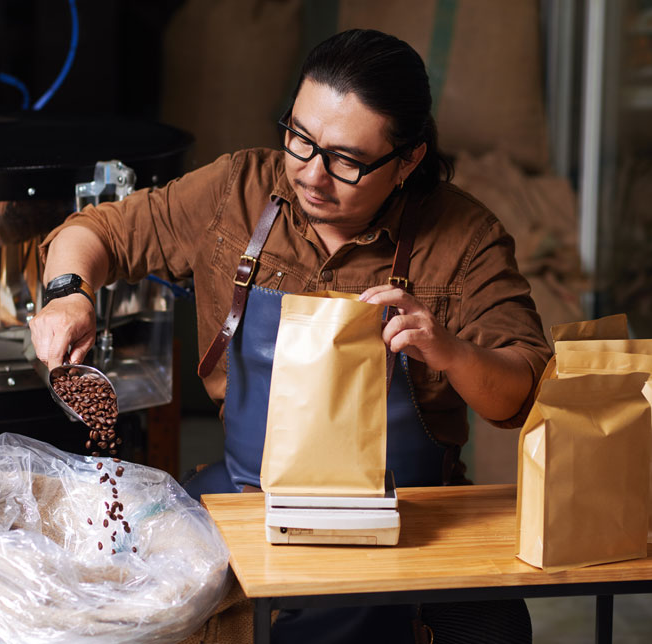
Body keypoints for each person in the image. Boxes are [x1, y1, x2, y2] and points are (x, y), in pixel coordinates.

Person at [31, 28, 549, 644]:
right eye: (300, 140)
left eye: (347, 161)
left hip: (404, 514)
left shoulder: (465, 239)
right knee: (105, 604)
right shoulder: (237, 192)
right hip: (245, 495)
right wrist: (68, 292)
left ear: (408, 160)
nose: (311, 174)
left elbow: (520, 394)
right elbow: (101, 232)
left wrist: (450, 351)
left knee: (492, 631)